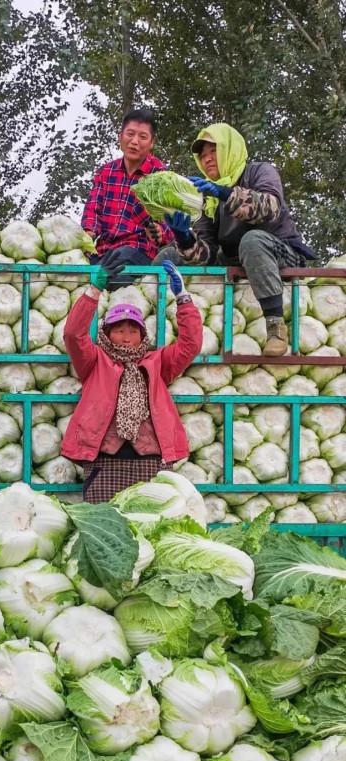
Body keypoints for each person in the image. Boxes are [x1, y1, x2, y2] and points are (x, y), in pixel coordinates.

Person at [160, 122, 316, 356]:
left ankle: (275, 327)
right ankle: (144, 316)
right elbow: (206, 255)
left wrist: (224, 193)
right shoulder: (207, 199)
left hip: (280, 253)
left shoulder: (260, 172)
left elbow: (269, 209)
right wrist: (184, 239)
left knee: (252, 240)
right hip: (234, 262)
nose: (208, 160)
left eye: (214, 151)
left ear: (229, 148)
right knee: (170, 253)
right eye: (202, 156)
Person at [61, 251, 203, 503]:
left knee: (151, 530)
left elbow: (190, 345)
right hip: (105, 462)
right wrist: (94, 289)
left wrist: (183, 299)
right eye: (118, 330)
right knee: (106, 532)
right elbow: (73, 334)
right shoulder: (95, 362)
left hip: (151, 462)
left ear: (142, 336)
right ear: (106, 334)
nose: (126, 337)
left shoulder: (157, 363)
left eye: (132, 331)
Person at [82, 107, 174, 287]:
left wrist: (159, 231)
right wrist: (86, 236)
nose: (134, 141)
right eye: (130, 134)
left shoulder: (160, 177)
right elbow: (92, 212)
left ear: (151, 143)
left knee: (121, 258)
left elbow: (170, 226)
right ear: (120, 136)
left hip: (137, 253)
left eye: (142, 137)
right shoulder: (106, 172)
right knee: (76, 270)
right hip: (103, 253)